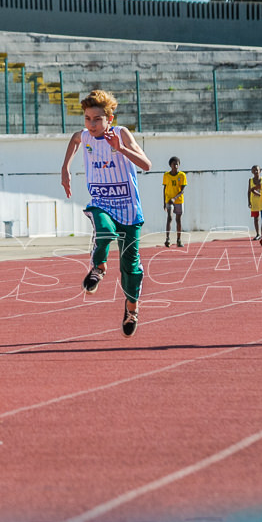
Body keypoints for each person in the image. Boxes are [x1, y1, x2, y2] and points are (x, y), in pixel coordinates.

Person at [60, 89, 152, 337]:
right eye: (88, 118)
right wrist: (65, 168)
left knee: (130, 268)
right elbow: (74, 139)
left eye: (97, 119)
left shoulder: (121, 134)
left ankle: (131, 309)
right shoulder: (85, 136)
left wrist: (120, 148)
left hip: (130, 210)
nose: (91, 124)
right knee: (104, 231)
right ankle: (98, 267)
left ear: (110, 118)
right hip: (102, 201)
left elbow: (146, 165)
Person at [162, 156, 186, 247]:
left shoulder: (182, 175)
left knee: (178, 220)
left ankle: (179, 239)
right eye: (173, 164)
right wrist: (164, 202)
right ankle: (167, 239)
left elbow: (182, 190)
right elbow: (164, 188)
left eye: (177, 164)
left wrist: (175, 198)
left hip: (178, 200)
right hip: (169, 200)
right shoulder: (166, 175)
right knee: (169, 218)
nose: (175, 166)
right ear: (170, 165)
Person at [247, 165, 262, 240]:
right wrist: (249, 201)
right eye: (254, 170)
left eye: (257, 170)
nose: (256, 171)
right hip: (254, 202)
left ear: (260, 171)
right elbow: (249, 191)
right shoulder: (250, 180)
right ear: (252, 172)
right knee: (256, 218)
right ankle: (258, 234)